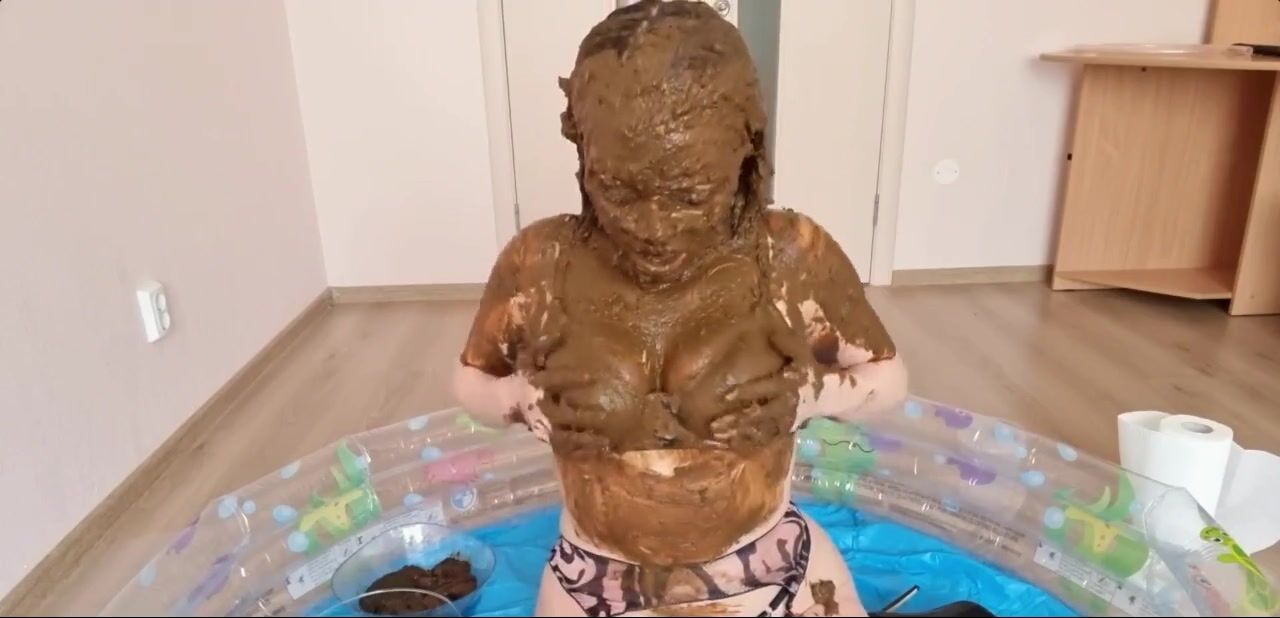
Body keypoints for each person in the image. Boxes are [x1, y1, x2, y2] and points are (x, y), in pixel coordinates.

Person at [453, 2, 907, 615]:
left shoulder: (788, 257)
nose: (654, 228)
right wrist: (519, 401)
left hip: (771, 565)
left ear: (745, 156)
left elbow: (888, 379)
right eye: (618, 190)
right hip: (593, 576)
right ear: (581, 150)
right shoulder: (542, 264)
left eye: (691, 195)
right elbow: (470, 381)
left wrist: (812, 396)